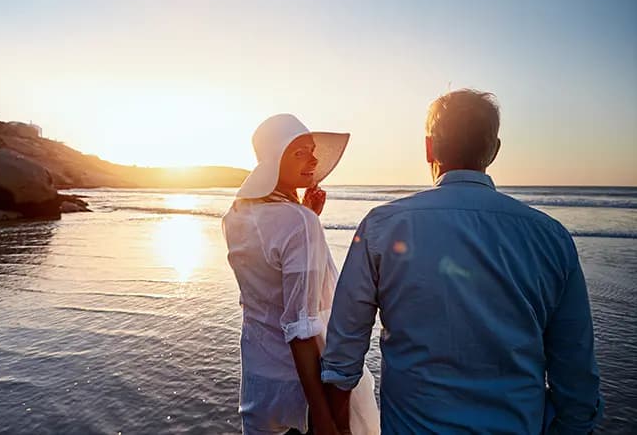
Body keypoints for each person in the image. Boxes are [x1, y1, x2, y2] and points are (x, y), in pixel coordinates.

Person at [321, 89, 603, 434]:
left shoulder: (383, 226)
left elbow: (342, 356)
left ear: (429, 147)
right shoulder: (551, 237)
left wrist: (335, 427)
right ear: (494, 150)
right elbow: (576, 372)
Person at [223, 114, 378, 435]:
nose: (314, 159)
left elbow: (266, 288)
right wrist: (323, 417)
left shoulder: (234, 217)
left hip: (260, 382)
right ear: (275, 161)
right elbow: (300, 327)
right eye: (300, 152)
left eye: (312, 150)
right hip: (303, 387)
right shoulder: (297, 223)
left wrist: (307, 215)